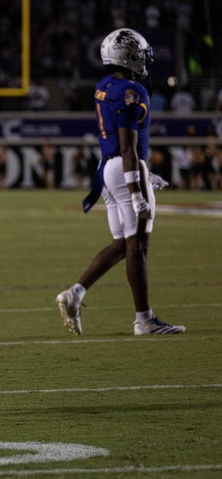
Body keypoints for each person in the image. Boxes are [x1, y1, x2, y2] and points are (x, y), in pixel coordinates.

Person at [57, 28, 184, 337]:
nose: (143, 60)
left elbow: (118, 141)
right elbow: (127, 145)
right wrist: (137, 188)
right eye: (139, 54)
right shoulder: (132, 91)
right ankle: (145, 319)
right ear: (126, 56)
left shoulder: (105, 86)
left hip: (108, 168)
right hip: (125, 168)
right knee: (138, 246)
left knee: (122, 245)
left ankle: (75, 293)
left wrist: (140, 174)